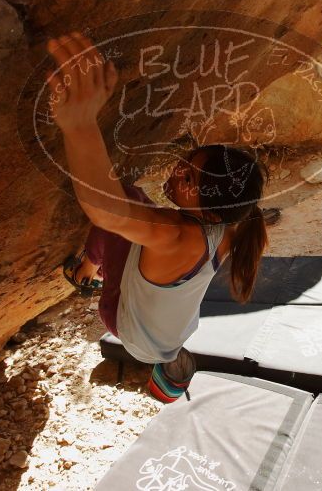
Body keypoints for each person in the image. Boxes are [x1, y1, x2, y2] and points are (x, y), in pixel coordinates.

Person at [46, 33, 269, 399]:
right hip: (162, 338)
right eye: (187, 163)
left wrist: (80, 123)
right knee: (143, 216)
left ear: (210, 205)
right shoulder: (230, 224)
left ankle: (85, 270)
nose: (176, 171)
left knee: (130, 199)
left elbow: (108, 211)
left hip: (122, 321)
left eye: (189, 178)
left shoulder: (178, 235)